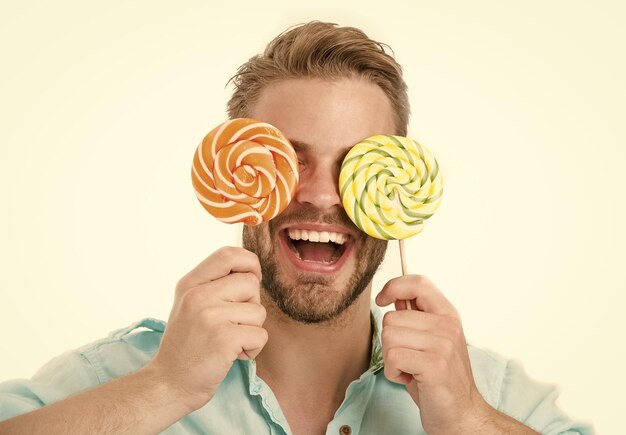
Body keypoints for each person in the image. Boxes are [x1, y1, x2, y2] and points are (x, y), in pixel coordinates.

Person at [0, 21, 592, 435]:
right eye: (289, 156)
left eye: (354, 163)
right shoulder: (121, 379)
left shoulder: (487, 394)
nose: (319, 195)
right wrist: (164, 390)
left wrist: (467, 421)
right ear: (239, 164)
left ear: (396, 183)